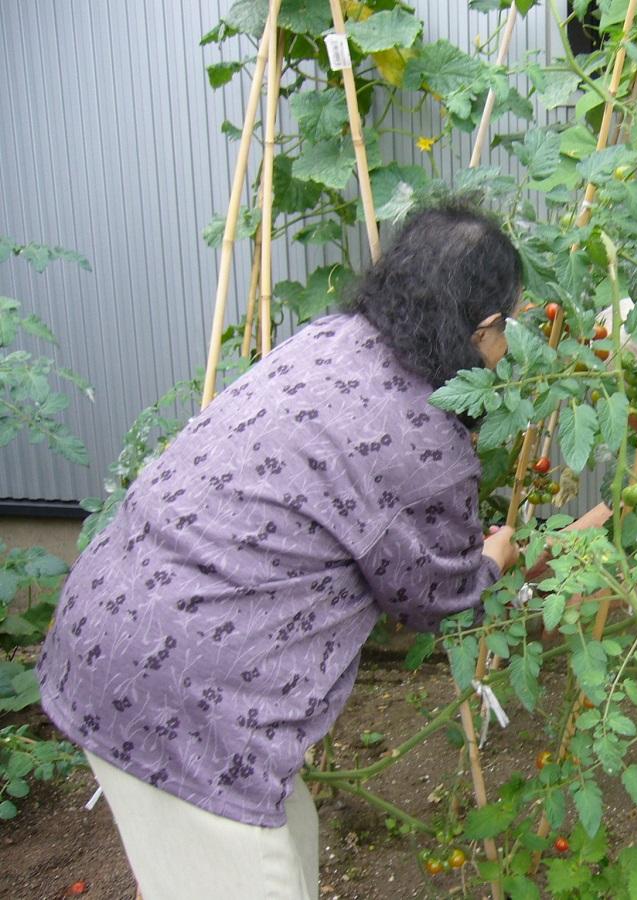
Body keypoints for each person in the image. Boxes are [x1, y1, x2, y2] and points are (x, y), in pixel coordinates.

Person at [37, 201, 523, 900]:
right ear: (480, 331)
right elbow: (434, 596)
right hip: (185, 697)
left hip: (112, 626)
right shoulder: (424, 440)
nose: (511, 349)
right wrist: (491, 562)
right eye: (508, 327)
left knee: (283, 847)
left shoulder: (333, 339)